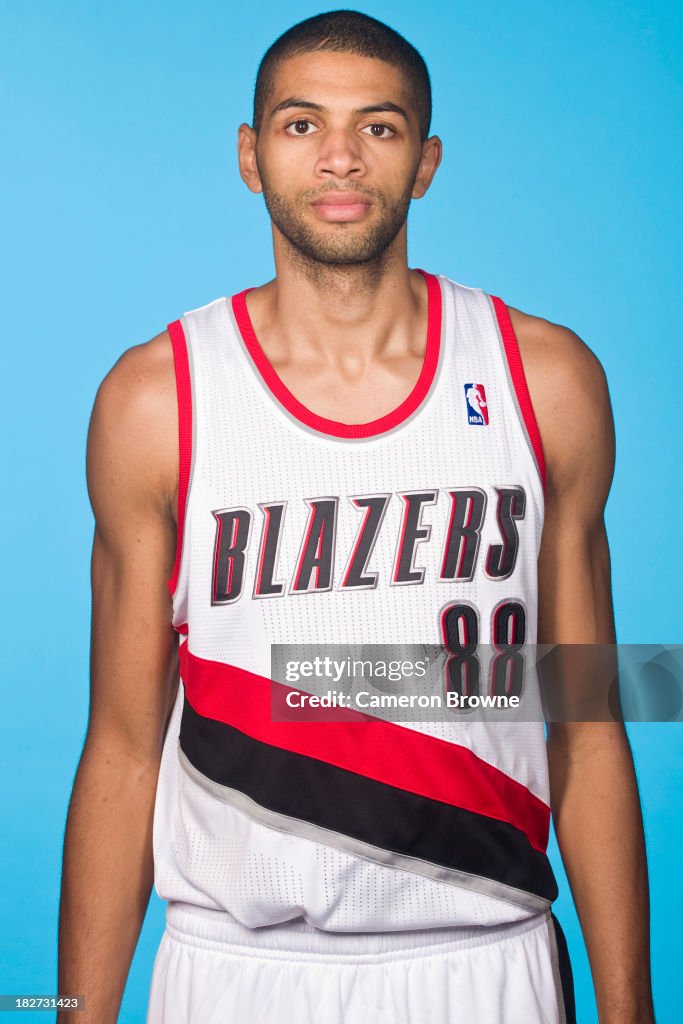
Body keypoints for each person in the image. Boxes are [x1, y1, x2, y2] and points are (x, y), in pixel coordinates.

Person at [57, 10, 656, 1024]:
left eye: (376, 127)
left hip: (485, 957)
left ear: (423, 161)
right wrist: (78, 1012)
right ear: (250, 157)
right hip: (232, 970)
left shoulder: (544, 379)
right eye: (300, 125)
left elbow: (585, 720)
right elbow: (120, 744)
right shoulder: (155, 401)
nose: (337, 156)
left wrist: (630, 1008)